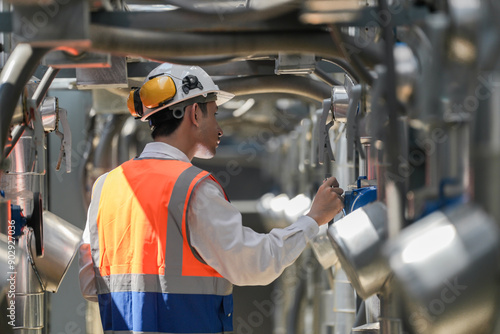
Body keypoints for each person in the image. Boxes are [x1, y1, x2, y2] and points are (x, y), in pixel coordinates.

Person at [78, 63, 344, 334]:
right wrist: (313, 219)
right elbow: (255, 264)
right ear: (195, 113)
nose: (220, 129)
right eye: (214, 115)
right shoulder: (192, 188)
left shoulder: (105, 187)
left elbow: (91, 284)